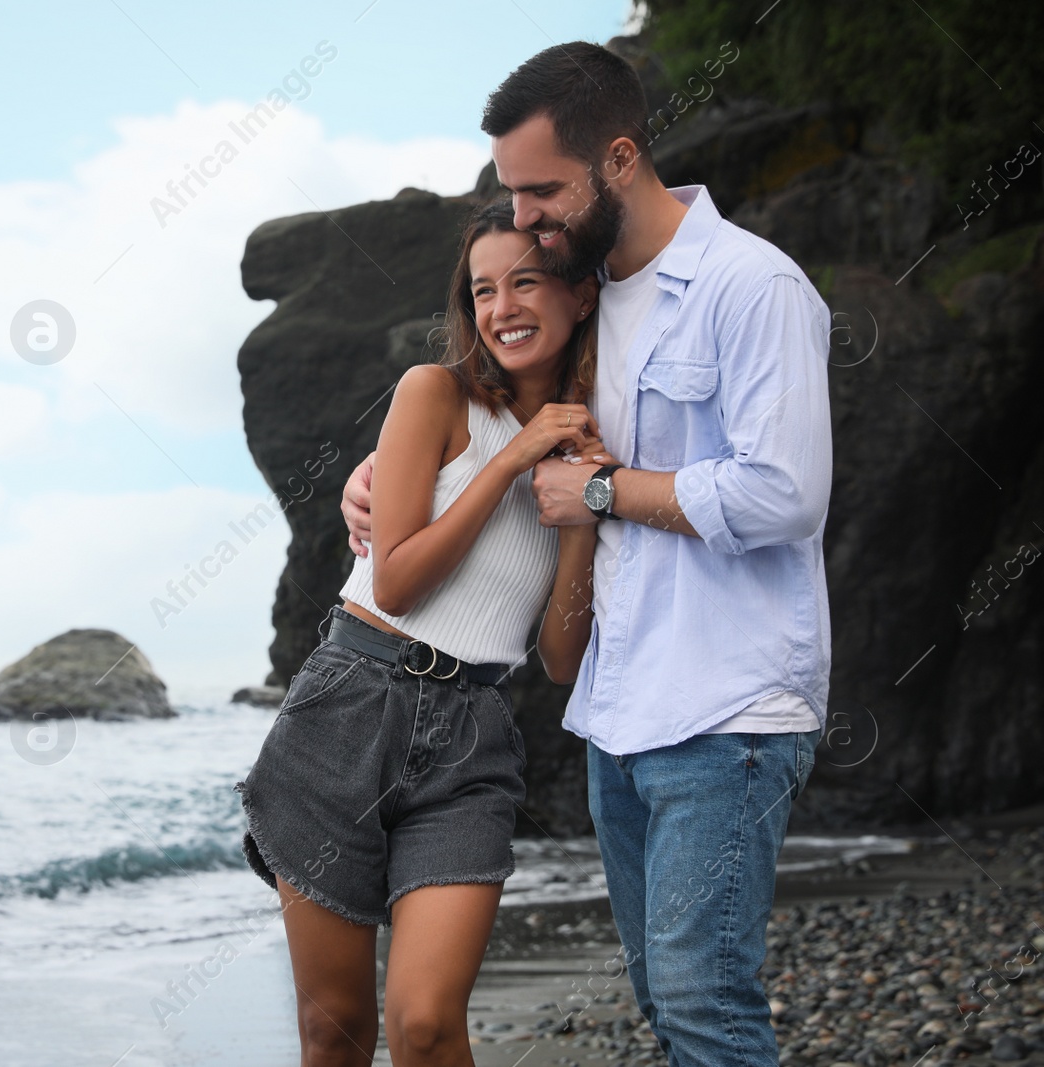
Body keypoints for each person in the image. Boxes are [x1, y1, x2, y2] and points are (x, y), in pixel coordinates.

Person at [342, 41, 832, 1067]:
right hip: (616, 711)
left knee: (706, 1004)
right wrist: (380, 478)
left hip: (730, 706)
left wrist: (605, 490)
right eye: (510, 193)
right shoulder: (590, 293)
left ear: (617, 157)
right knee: (665, 1000)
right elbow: (494, 395)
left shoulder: (752, 286)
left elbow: (783, 492)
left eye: (539, 190)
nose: (524, 216)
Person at [236, 196, 605, 1066]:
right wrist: (513, 459)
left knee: (429, 1024)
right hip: (346, 710)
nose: (502, 308)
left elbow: (558, 657)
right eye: (483, 290)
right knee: (335, 1031)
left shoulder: (588, 441)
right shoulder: (432, 393)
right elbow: (396, 579)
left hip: (471, 739)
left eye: (525, 281)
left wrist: (582, 513)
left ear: (581, 293)